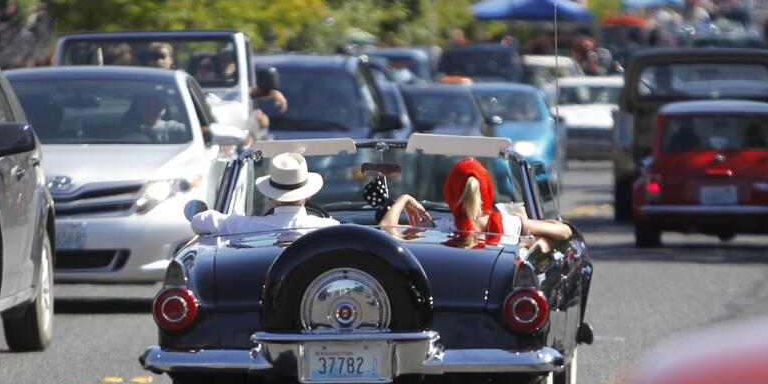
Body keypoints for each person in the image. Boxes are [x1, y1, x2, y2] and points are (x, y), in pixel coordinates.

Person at [379, 158, 572, 242]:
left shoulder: (438, 229)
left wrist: (404, 200)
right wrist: (528, 223)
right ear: (487, 192)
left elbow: (385, 230)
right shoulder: (509, 224)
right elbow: (565, 232)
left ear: (450, 194)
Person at [191, 152, 339, 235]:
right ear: (309, 195)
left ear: (270, 196)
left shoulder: (244, 227)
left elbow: (199, 221)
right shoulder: (329, 228)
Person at [117, 91, 188, 143]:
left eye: (157, 102)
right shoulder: (127, 132)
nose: (155, 106)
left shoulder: (175, 129)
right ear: (138, 107)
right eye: (148, 103)